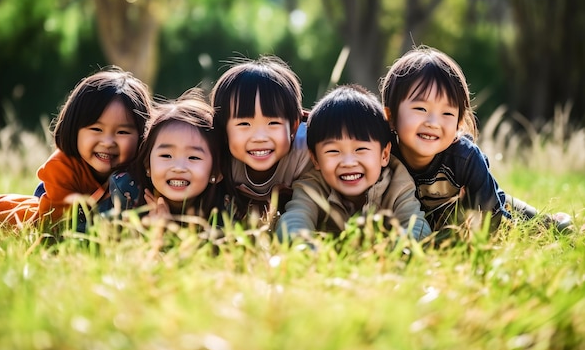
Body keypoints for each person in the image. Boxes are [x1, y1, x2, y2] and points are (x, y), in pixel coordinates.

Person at [379, 45, 572, 238]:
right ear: (391, 116)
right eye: (421, 109)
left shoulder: (465, 157)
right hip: (424, 222)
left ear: (458, 125)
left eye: (447, 113)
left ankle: (553, 222)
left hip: (477, 208)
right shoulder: (382, 155)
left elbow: (493, 221)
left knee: (526, 219)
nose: (433, 123)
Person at [0, 66, 152, 232]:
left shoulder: (146, 168)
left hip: (93, 209)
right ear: (74, 129)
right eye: (96, 129)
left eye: (122, 132)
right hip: (55, 199)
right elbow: (53, 229)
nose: (107, 142)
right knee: (26, 214)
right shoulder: (61, 167)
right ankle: (1, 203)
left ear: (142, 135)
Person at [275, 85, 432, 243]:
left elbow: (417, 227)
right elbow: (294, 220)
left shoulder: (397, 183)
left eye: (361, 149)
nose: (348, 163)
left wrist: (396, 250)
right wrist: (304, 247)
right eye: (333, 152)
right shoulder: (313, 186)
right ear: (315, 159)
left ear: (384, 155)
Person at [209, 55, 311, 227]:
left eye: (273, 123)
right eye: (244, 124)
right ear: (223, 129)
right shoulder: (215, 155)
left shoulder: (307, 150)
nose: (259, 137)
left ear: (294, 125)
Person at [123, 88, 224, 227]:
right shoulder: (126, 195)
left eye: (193, 157)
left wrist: (167, 230)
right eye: (166, 155)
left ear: (216, 172)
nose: (178, 168)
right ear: (148, 165)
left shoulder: (228, 209)